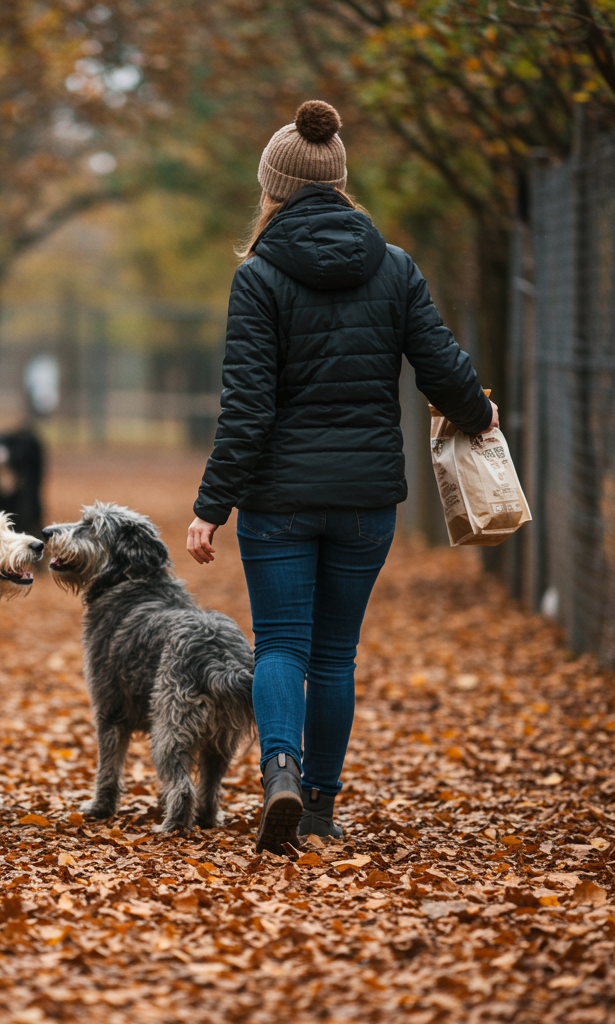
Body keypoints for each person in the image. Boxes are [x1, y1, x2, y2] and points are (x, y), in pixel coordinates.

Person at [185, 100, 498, 856]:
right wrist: (478, 415)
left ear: (274, 186)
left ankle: (280, 771)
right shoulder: (394, 266)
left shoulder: (259, 276)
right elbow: (445, 372)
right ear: (341, 182)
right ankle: (320, 804)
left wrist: (211, 506)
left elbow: (248, 407)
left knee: (280, 646)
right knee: (334, 654)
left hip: (279, 501)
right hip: (364, 500)